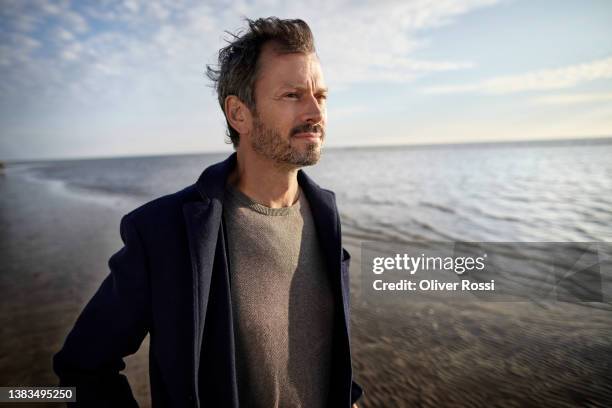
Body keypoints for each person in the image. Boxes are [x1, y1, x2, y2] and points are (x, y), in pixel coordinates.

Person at [53, 17, 363, 407]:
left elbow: (330, 350)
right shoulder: (164, 233)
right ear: (239, 114)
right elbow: (82, 367)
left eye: (321, 95)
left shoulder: (325, 217)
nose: (315, 112)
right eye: (292, 95)